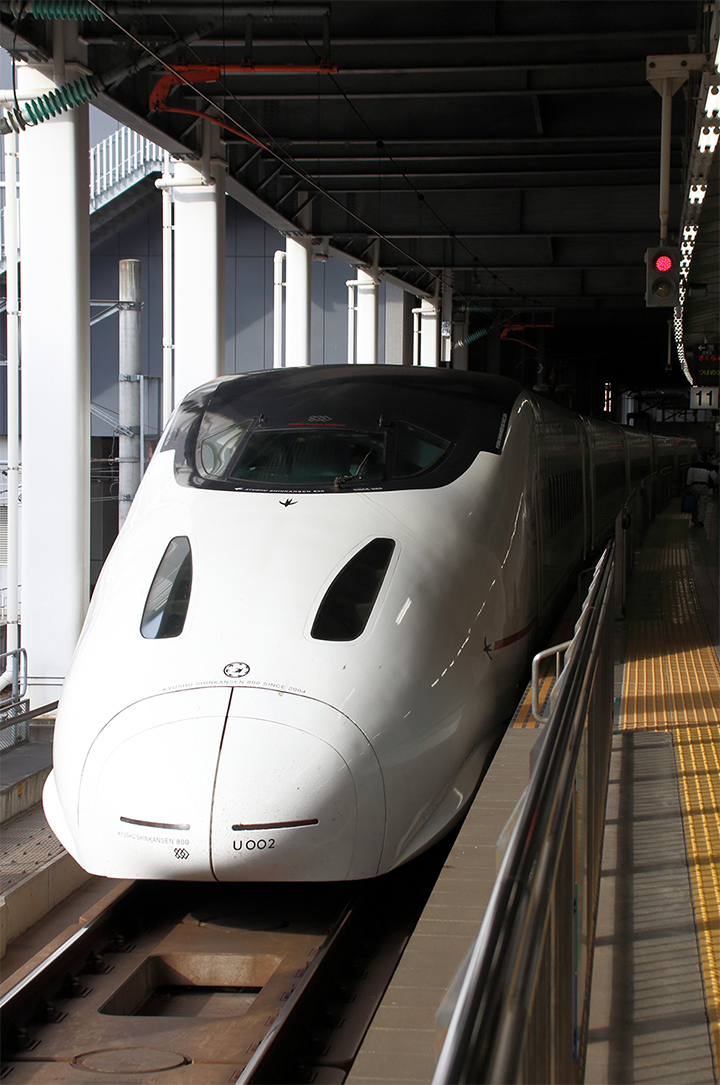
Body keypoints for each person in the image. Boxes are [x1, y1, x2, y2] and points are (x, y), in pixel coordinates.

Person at [686, 454, 718, 526]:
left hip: (694, 486)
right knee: (702, 503)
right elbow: (715, 477)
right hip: (704, 487)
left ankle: (694, 518)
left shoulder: (693, 466)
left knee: (694, 503)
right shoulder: (708, 467)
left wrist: (688, 485)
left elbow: (689, 476)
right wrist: (716, 483)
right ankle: (701, 520)